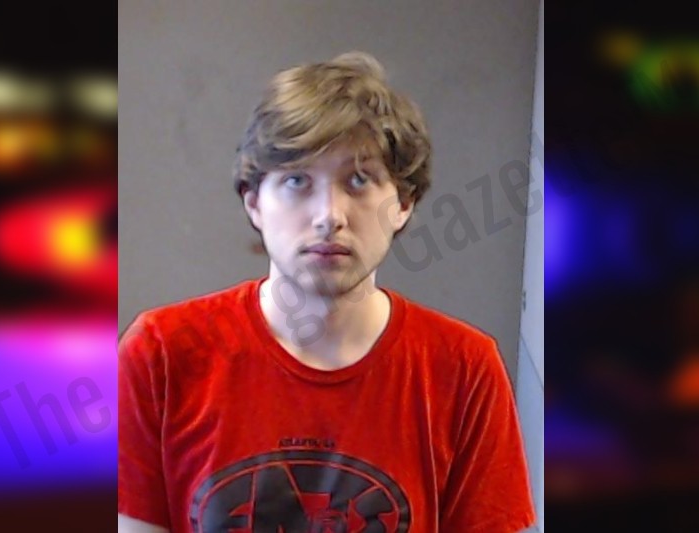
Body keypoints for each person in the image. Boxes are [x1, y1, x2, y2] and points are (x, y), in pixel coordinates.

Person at [118, 51, 535, 532]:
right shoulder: (162, 353)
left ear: (403, 203)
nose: (329, 216)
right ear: (254, 203)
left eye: (358, 180)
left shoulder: (465, 368)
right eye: (297, 180)